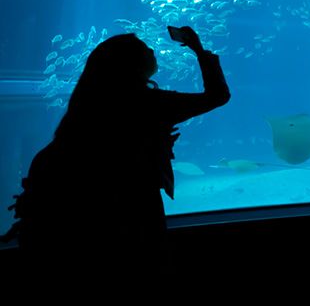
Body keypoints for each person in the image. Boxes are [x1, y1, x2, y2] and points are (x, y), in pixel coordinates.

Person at [2, 27, 230, 285]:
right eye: (145, 48)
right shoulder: (147, 103)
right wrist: (199, 51)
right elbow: (218, 96)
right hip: (133, 214)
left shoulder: (90, 101)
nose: (153, 50)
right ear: (131, 63)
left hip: (82, 222)